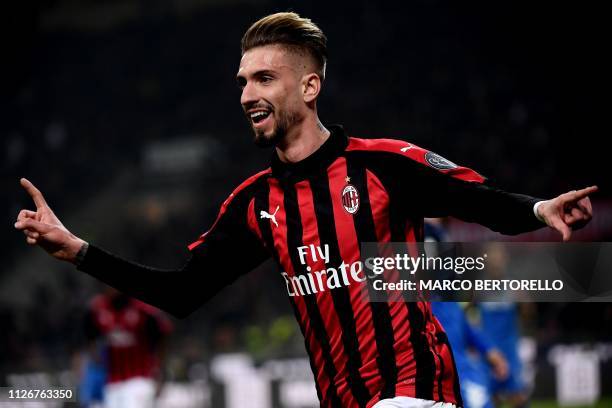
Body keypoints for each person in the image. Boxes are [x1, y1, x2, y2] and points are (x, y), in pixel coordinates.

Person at [15, 12, 596, 408]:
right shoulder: (254, 204)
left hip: (414, 389)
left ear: (310, 86)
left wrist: (541, 208)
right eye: (243, 81)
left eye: (265, 77)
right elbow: (181, 293)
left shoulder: (384, 164)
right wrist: (81, 252)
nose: (247, 94)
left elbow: (480, 202)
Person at [82, 287, 172, 408]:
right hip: (112, 382)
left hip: (140, 380)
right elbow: (89, 333)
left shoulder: (143, 308)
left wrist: (160, 374)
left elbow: (162, 333)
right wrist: (95, 357)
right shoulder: (99, 308)